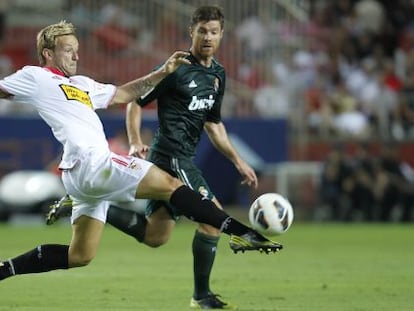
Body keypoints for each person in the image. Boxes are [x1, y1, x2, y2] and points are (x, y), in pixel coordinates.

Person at [0, 21, 283, 286]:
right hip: (92, 162)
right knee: (172, 185)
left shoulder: (82, 85)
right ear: (48, 53)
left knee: (80, 256)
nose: (75, 56)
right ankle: (243, 233)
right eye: (68, 50)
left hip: (81, 178)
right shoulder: (35, 76)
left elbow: (123, 94)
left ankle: (3, 270)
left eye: (77, 50)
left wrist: (162, 73)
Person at [46, 7, 265, 309]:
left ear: (222, 35)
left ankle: (99, 205)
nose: (208, 37)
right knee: (212, 220)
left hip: (186, 155)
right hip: (171, 157)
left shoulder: (217, 75)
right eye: (202, 31)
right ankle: (202, 295)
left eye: (214, 32)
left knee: (155, 236)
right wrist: (135, 141)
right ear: (192, 32)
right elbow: (135, 102)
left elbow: (213, 124)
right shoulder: (176, 69)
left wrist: (237, 160)